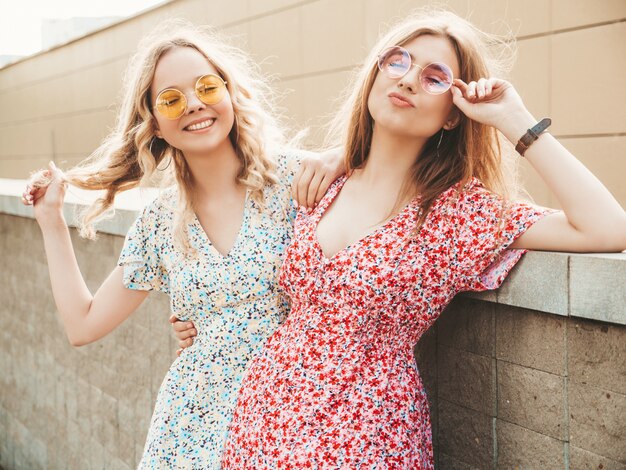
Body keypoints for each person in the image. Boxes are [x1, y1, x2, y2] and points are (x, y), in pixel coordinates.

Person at [174, 9, 626, 469]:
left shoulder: (458, 212)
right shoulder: (318, 182)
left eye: (435, 78)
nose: (409, 80)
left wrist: (515, 122)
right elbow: (224, 233)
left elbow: (608, 228)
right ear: (373, 77)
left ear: (453, 116)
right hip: (262, 421)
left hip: (365, 433)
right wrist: (197, 317)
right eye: (398, 62)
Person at [21, 23, 343, 469]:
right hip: (192, 430)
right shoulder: (159, 222)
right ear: (154, 122)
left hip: (297, 419)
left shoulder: (296, 179)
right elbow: (84, 324)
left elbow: (394, 170)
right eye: (171, 99)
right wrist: (51, 221)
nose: (194, 104)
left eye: (206, 86)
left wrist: (346, 155)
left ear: (229, 93)